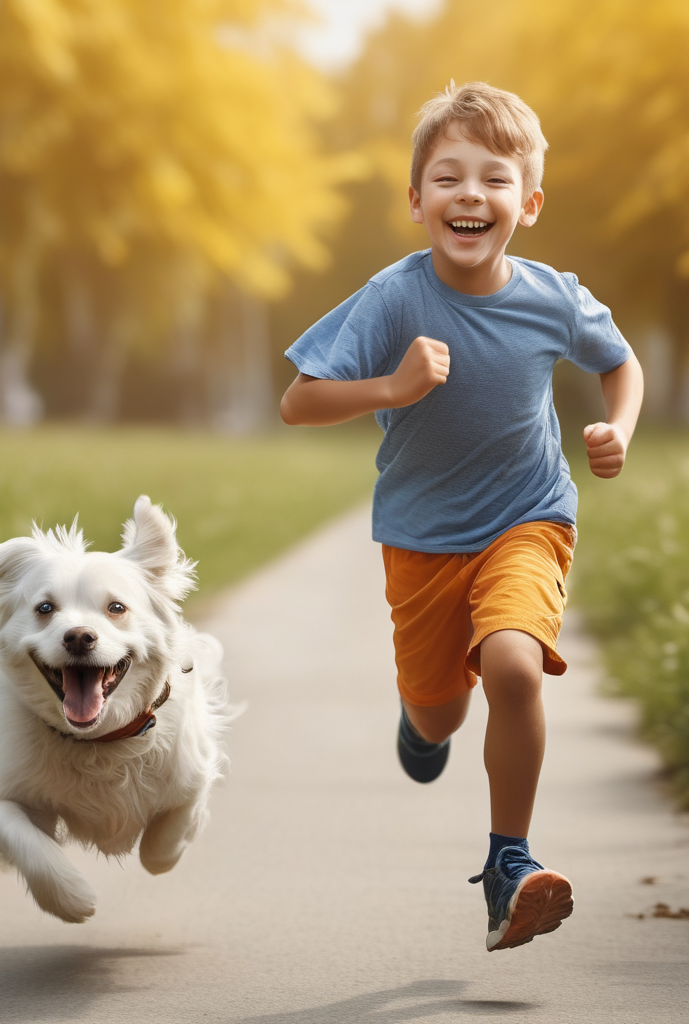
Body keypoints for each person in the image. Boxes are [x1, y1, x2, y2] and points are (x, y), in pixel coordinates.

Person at [279, 81, 644, 952]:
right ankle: (422, 715)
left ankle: (508, 863)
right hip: (421, 540)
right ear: (416, 201)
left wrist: (615, 428)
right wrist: (391, 388)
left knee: (515, 666)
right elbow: (299, 401)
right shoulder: (394, 297)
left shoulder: (554, 297)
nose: (470, 195)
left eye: (494, 178)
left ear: (529, 202)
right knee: (441, 714)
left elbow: (620, 362)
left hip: (529, 516)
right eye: (447, 178)